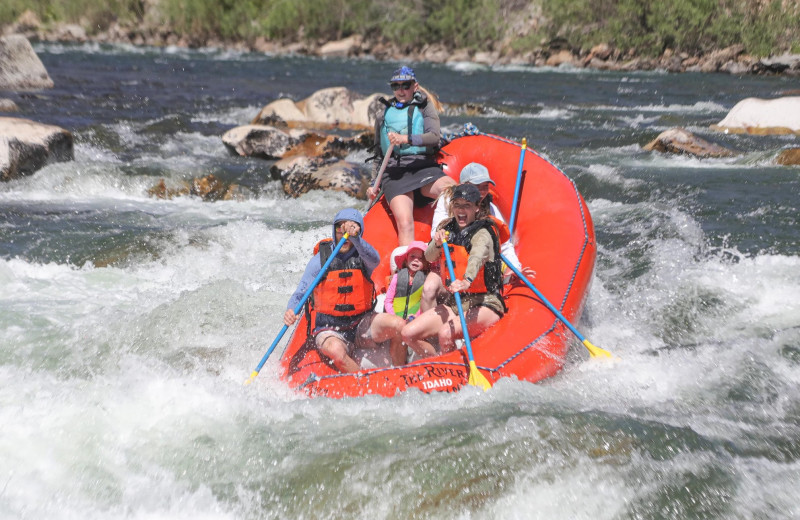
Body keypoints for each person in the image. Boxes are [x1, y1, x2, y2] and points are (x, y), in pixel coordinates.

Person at [283, 208, 406, 372]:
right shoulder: (319, 261)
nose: (344, 233)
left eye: (350, 228)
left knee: (399, 325)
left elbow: (375, 259)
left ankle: (402, 373)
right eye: (339, 228)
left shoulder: (364, 257)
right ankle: (363, 383)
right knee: (336, 351)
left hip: (361, 322)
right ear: (334, 231)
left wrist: (356, 239)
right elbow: (300, 293)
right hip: (330, 329)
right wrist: (291, 310)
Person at [401, 184, 505, 359]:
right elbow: (430, 256)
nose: (461, 210)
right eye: (457, 205)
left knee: (445, 333)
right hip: (457, 303)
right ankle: (437, 363)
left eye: (467, 205)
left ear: (476, 208)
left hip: (486, 302)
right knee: (407, 333)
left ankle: (450, 369)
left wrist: (467, 280)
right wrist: (437, 243)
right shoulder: (448, 228)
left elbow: (477, 257)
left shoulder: (483, 233)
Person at [365, 66, 455, 246]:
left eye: (406, 85)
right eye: (396, 86)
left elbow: (434, 137)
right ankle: (406, 270)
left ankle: (439, 237)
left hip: (423, 168)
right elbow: (379, 154)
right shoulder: (383, 114)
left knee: (453, 192)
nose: (401, 90)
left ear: (415, 86)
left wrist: (405, 138)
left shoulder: (425, 107)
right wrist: (373, 183)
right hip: (396, 174)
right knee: (405, 223)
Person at [422, 162, 530, 311]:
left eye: (485, 186)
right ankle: (428, 330)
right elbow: (437, 231)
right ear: (463, 185)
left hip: (476, 269)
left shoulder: (491, 208)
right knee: (429, 289)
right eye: (477, 186)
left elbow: (504, 244)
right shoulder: (447, 201)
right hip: (449, 263)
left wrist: (516, 268)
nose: (482, 191)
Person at [384, 240, 429, 320]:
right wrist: (393, 316)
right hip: (394, 318)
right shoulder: (396, 277)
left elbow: (425, 303)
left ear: (425, 263)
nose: (416, 260)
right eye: (412, 256)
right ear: (406, 258)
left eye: (420, 258)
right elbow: (388, 301)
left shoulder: (426, 281)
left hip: (414, 319)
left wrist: (417, 316)